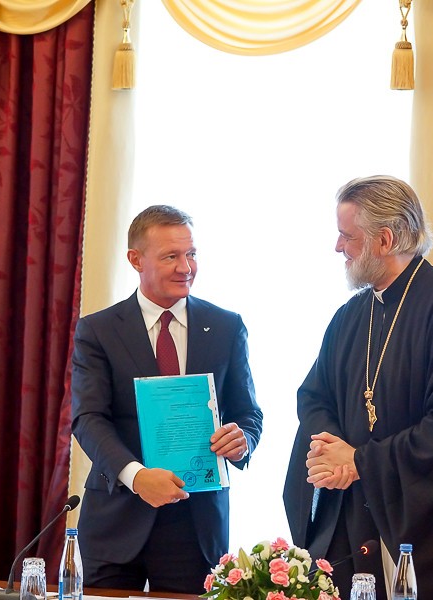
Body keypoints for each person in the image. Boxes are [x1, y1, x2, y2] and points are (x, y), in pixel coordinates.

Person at [283, 175, 433, 599]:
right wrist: (333, 451)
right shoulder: (351, 315)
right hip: (356, 510)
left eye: (348, 236)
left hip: (427, 523)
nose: (338, 247)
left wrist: (361, 461)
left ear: (385, 239)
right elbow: (315, 397)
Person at [71, 205, 262, 593]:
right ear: (135, 259)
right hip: (117, 518)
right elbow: (88, 418)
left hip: (195, 524)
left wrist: (242, 439)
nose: (185, 267)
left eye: (191, 254)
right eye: (171, 256)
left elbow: (248, 414)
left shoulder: (226, 327)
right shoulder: (98, 330)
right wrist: (137, 476)